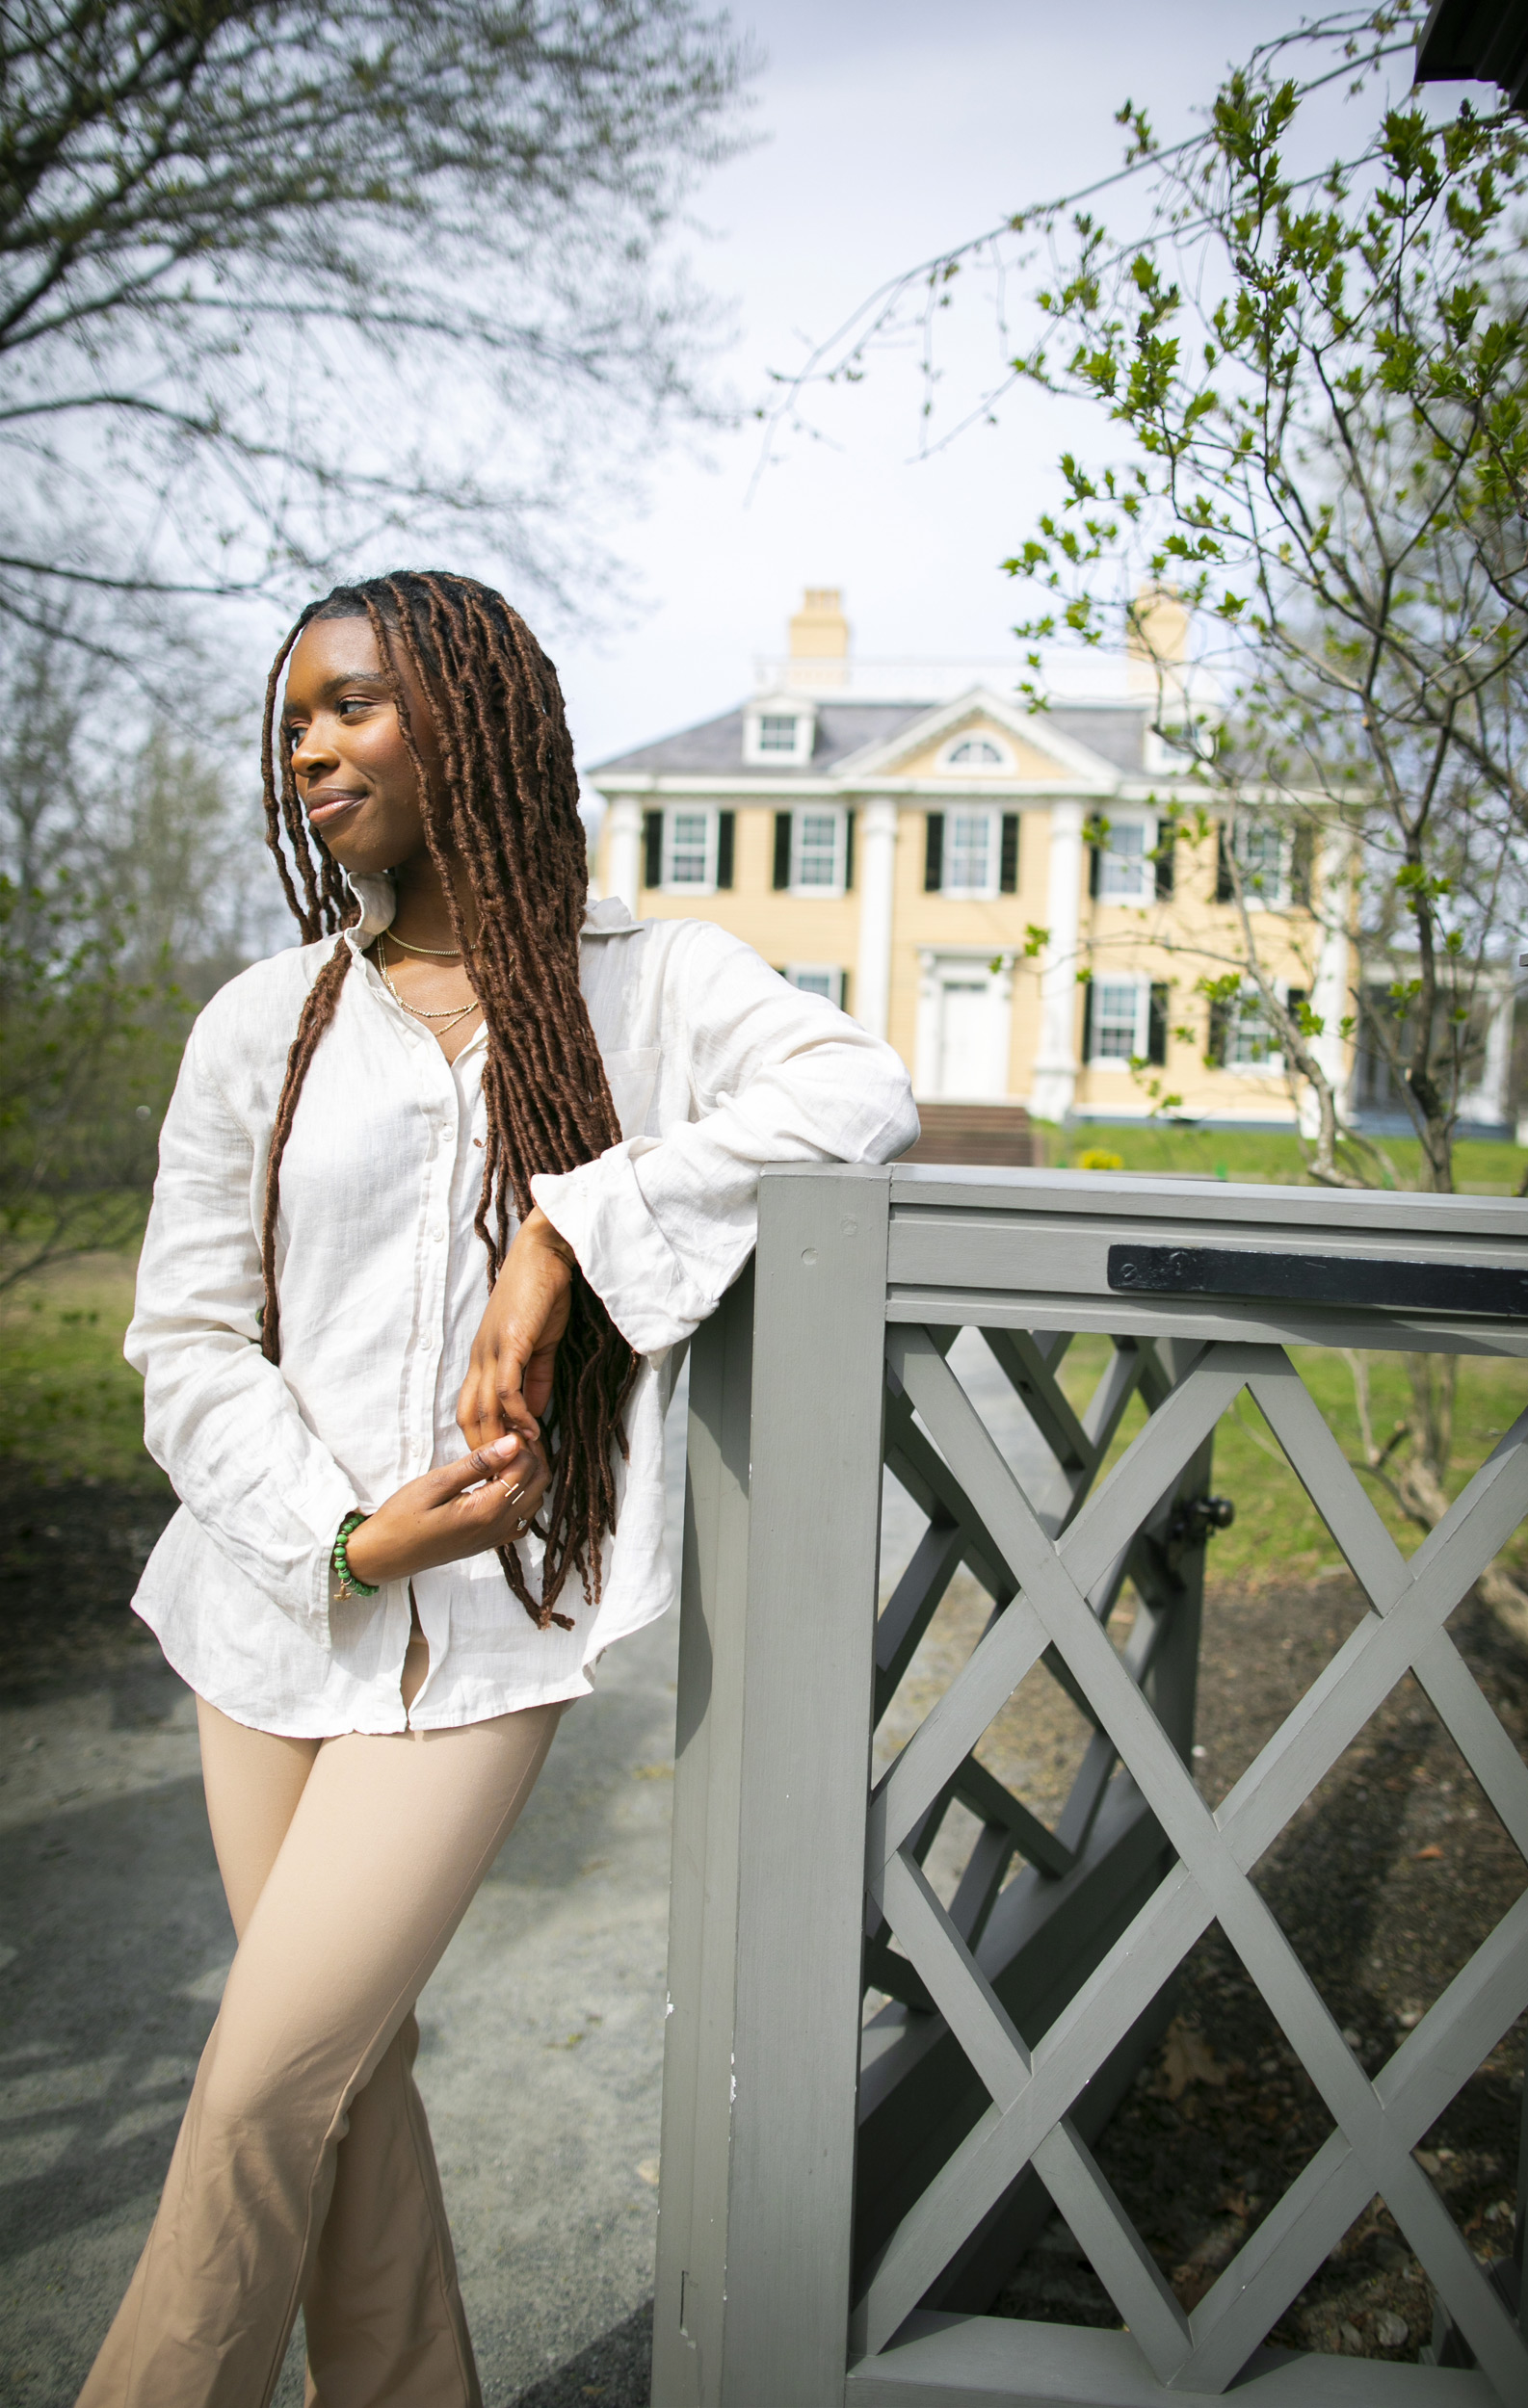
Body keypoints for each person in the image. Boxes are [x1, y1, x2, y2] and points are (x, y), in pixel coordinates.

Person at [78, 568, 917, 2407]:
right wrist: (341, 1535)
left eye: (353, 705)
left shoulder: (655, 988)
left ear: (475, 718)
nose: (308, 746)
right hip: (269, 1613)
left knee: (258, 2087)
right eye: (293, 716)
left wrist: (568, 1227)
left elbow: (857, 1089)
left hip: (479, 1642)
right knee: (343, 2091)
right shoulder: (263, 1023)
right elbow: (188, 1337)